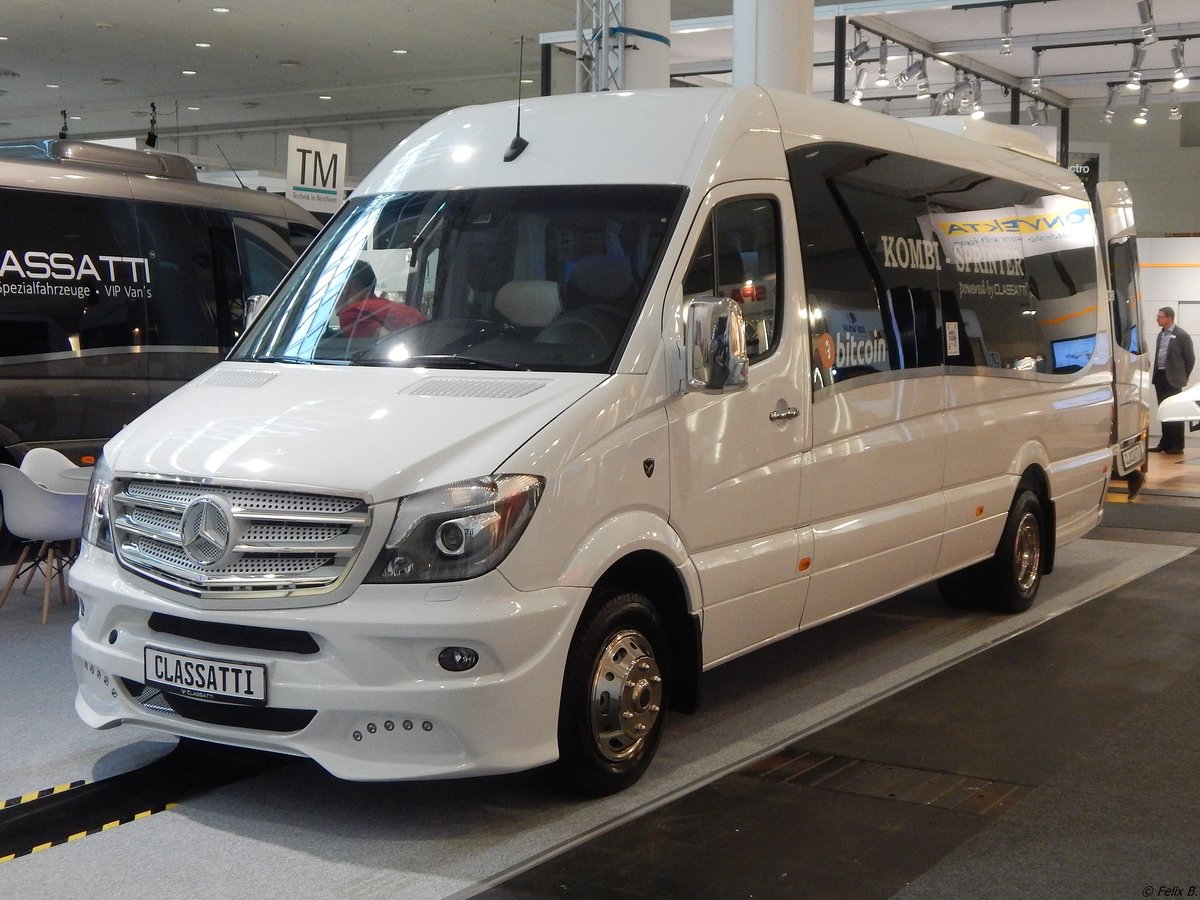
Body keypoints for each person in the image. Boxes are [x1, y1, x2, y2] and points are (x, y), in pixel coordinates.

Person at [1150, 306, 1195, 455]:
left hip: (1174, 379)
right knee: (1164, 411)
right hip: (1160, 377)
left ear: (1169, 318)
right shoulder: (1160, 335)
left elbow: (1190, 358)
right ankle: (1165, 443)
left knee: (1175, 412)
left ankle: (1177, 445)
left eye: (1160, 316)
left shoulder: (1181, 335)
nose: (1157, 318)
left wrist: (1183, 375)